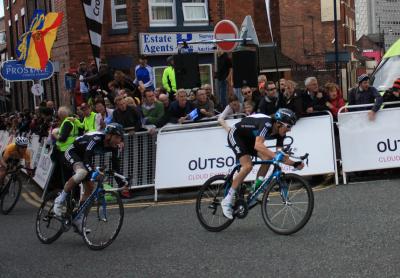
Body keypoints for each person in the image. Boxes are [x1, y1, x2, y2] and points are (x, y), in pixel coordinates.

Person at [221, 108, 304, 219]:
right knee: (247, 166)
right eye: (288, 126)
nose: (289, 130)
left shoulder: (280, 134)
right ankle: (227, 200)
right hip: (236, 135)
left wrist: (294, 164)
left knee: (268, 159)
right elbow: (258, 146)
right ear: (279, 124)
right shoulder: (267, 124)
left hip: (250, 139)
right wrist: (275, 156)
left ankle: (255, 188)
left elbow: (280, 155)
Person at [53, 123, 128, 233]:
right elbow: (87, 157)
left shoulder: (115, 147)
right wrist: (93, 172)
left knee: (90, 187)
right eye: (116, 137)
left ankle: (78, 219)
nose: (118, 141)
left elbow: (116, 169)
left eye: (120, 138)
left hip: (84, 158)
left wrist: (123, 182)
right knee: (82, 172)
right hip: (72, 152)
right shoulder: (96, 139)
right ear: (108, 136)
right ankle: (59, 200)